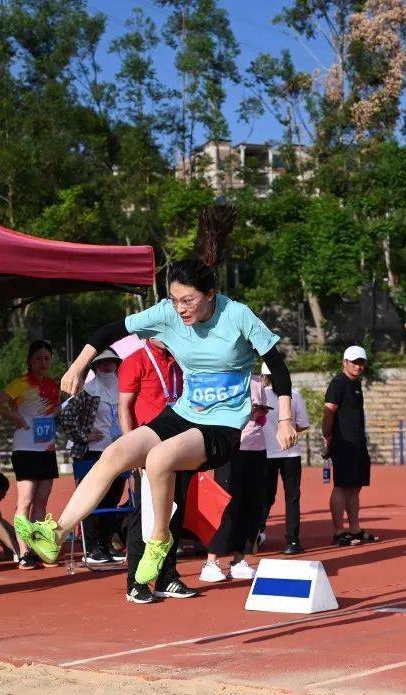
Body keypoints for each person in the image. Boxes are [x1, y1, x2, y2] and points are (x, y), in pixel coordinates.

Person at [15, 204, 297, 588]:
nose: (180, 309)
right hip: (183, 412)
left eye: (188, 302)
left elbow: (278, 368)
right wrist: (78, 366)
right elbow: (107, 332)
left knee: (160, 458)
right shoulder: (167, 312)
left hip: (224, 424)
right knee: (118, 451)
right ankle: (57, 534)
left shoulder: (237, 315)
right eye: (175, 300)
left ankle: (159, 540)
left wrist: (283, 419)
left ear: (210, 295)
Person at [118, 338, 196, 603]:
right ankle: (136, 583)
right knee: (145, 517)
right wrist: (131, 452)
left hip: (180, 449)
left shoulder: (180, 360)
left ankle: (167, 578)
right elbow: (124, 408)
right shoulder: (135, 361)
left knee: (174, 514)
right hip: (149, 451)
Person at [0, 340, 60, 569]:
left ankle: (39, 548)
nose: (43, 363)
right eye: (38, 358)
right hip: (25, 449)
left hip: (47, 449)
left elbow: (53, 410)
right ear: (30, 360)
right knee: (26, 500)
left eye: (47, 358)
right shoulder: (20, 384)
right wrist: (17, 418)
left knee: (41, 501)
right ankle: (24, 552)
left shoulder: (53, 385)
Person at [200, 375, 272, 582]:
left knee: (252, 504)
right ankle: (211, 561)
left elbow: (262, 419)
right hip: (230, 447)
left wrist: (260, 413)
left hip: (256, 447)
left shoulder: (258, 382)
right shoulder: (224, 378)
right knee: (226, 504)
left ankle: (239, 559)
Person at [61, 348, 128, 564]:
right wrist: (83, 435)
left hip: (118, 451)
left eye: (111, 362)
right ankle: (91, 548)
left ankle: (106, 544)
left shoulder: (125, 388)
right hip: (90, 452)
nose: (107, 366)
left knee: (113, 498)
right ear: (94, 367)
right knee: (91, 500)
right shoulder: (86, 391)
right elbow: (66, 416)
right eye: (102, 363)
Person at [322, 345, 378, 546]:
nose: (359, 366)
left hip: (358, 443)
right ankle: (339, 532)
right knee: (341, 487)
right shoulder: (338, 383)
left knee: (355, 487)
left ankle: (354, 530)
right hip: (344, 443)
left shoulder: (356, 384)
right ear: (344, 362)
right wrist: (327, 436)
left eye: (361, 362)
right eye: (355, 362)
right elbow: (328, 412)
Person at [257, 361, 310, 555]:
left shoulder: (259, 396)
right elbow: (303, 424)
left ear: (263, 377)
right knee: (292, 497)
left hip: (265, 452)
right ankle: (292, 541)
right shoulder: (293, 396)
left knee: (264, 496)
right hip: (290, 453)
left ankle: (257, 532)